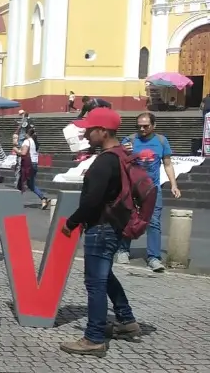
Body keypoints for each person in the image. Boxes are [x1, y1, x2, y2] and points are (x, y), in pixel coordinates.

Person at [60, 107, 141, 357]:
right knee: (104, 275)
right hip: (112, 224)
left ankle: (94, 337)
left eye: (89, 129)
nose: (85, 133)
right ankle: (126, 321)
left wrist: (71, 222)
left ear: (103, 132)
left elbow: (92, 200)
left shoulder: (105, 161)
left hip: (101, 226)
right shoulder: (118, 156)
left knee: (95, 282)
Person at [115, 112, 181, 272]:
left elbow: (167, 164)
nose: (142, 129)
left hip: (153, 189)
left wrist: (174, 184)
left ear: (154, 125)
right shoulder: (129, 140)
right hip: (132, 188)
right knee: (128, 218)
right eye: (139, 126)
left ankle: (154, 258)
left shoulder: (161, 141)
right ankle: (123, 250)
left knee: (154, 222)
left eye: (146, 126)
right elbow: (119, 162)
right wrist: (125, 153)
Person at [15, 126, 50, 209]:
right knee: (30, 184)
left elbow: (23, 153)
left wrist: (16, 150)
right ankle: (43, 198)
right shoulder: (33, 141)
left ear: (26, 133)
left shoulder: (26, 142)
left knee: (21, 182)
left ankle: (15, 201)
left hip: (28, 165)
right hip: (33, 164)